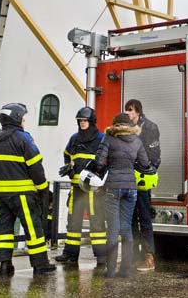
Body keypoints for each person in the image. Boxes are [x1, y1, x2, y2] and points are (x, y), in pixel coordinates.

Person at [0, 103, 56, 276]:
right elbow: (35, 166)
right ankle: (40, 264)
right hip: (22, 195)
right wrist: (43, 188)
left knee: (3, 229)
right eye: (23, 118)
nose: (24, 121)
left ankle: (5, 264)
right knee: (33, 229)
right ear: (17, 118)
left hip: (1, 195)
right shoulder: (24, 138)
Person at [94, 112, 152, 278]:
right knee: (126, 229)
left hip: (113, 187)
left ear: (115, 125)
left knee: (113, 229)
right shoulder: (137, 141)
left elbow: (99, 163)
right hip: (131, 188)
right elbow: (145, 164)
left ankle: (111, 271)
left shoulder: (109, 139)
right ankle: (125, 270)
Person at [55, 107, 107, 267]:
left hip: (94, 190)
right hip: (76, 188)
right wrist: (69, 167)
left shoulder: (101, 138)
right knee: (73, 221)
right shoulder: (74, 139)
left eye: (85, 121)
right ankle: (70, 254)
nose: (82, 123)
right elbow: (67, 155)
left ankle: (101, 256)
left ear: (91, 121)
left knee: (97, 222)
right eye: (80, 121)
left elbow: (107, 161)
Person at [125, 98, 161, 272]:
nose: (128, 113)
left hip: (142, 179)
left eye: (130, 110)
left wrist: (148, 171)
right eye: (126, 110)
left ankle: (149, 257)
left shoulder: (150, 128)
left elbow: (155, 156)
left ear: (138, 111)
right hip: (127, 178)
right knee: (130, 219)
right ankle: (133, 256)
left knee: (144, 217)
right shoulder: (125, 128)